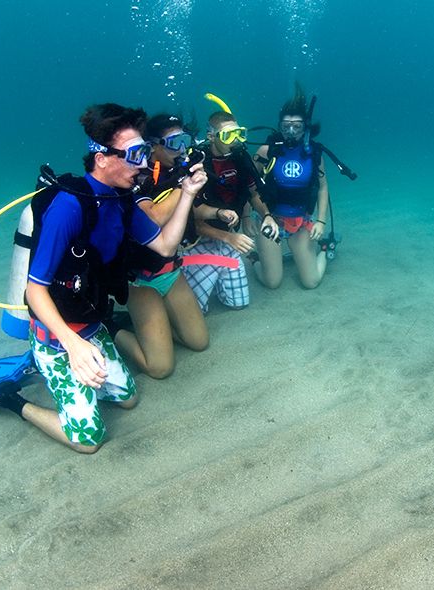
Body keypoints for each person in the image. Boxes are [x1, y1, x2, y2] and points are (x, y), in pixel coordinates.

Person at [0, 103, 206, 453]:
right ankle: (12, 400)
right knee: (89, 441)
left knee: (128, 399)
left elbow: (167, 246)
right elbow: (34, 291)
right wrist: (73, 346)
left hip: (91, 326)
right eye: (135, 154)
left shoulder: (123, 201)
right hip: (56, 336)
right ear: (102, 157)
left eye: (144, 152)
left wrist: (188, 194)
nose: (143, 163)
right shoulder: (69, 206)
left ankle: (74, 372)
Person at [110, 113, 210, 379]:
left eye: (184, 141)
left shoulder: (175, 173)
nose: (181, 149)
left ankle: (156, 324)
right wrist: (185, 185)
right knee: (161, 367)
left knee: (199, 342)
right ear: (153, 145)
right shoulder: (134, 177)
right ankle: (112, 326)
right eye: (174, 142)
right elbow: (151, 217)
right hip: (138, 280)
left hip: (170, 270)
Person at [181, 111, 279, 312]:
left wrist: (266, 216)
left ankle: (216, 272)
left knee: (239, 303)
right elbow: (191, 217)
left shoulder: (240, 157)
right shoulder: (197, 163)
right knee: (198, 311)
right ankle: (189, 272)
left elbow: (253, 194)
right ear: (211, 137)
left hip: (226, 236)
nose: (235, 141)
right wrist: (227, 236)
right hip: (195, 241)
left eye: (239, 134)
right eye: (228, 136)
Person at [252, 83, 330, 289]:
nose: (291, 132)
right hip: (270, 220)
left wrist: (321, 221)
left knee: (311, 282)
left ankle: (325, 251)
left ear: (306, 127)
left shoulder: (314, 154)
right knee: (272, 282)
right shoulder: (265, 151)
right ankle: (256, 259)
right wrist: (244, 216)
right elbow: (250, 184)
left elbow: (322, 187)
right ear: (279, 127)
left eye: (297, 126)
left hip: (301, 221)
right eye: (286, 126)